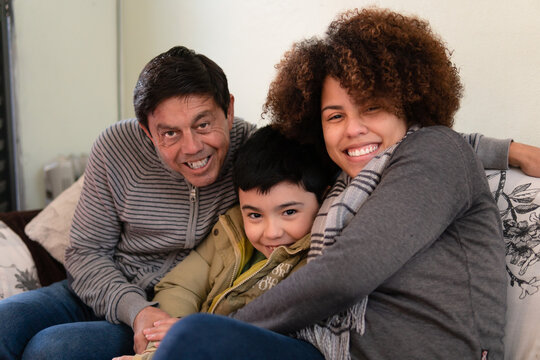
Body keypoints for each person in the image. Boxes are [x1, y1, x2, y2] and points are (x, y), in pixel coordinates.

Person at [0, 37, 533, 360]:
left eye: (205, 124)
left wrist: (506, 149)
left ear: (228, 111)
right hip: (123, 294)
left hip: (210, 312)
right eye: (334, 116)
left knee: (55, 351)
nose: (192, 148)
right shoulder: (347, 173)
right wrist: (143, 313)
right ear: (145, 131)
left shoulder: (270, 150)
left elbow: (431, 147)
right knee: (8, 320)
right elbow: (87, 254)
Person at [152, 8, 521, 360]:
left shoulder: (436, 150)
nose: (352, 129)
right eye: (335, 116)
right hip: (325, 351)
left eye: (372, 107)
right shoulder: (339, 183)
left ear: (408, 102)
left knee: (196, 336)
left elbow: (346, 275)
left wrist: (223, 331)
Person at [112, 125, 330, 360]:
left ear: (323, 199)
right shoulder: (230, 232)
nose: (271, 233)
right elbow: (180, 287)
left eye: (288, 212)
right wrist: (160, 344)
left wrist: (193, 333)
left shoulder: (315, 254)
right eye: (255, 215)